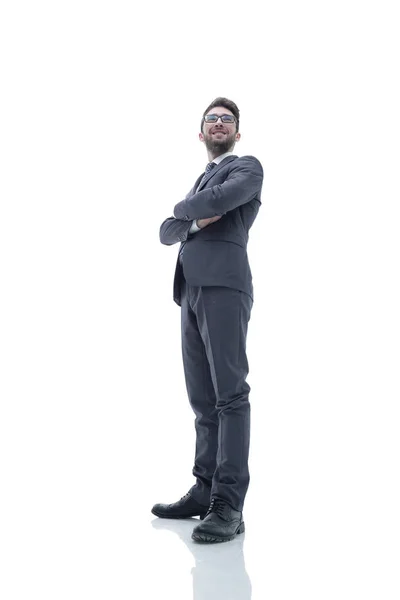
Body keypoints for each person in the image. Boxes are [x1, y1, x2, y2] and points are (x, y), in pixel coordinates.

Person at [152, 97, 264, 543]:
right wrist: (194, 218)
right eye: (212, 120)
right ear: (201, 134)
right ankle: (204, 489)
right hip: (191, 292)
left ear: (237, 132)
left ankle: (229, 505)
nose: (219, 124)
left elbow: (222, 199)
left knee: (230, 396)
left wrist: (185, 213)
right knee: (202, 399)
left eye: (227, 120)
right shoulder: (200, 181)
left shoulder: (248, 167)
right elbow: (165, 231)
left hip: (224, 286)